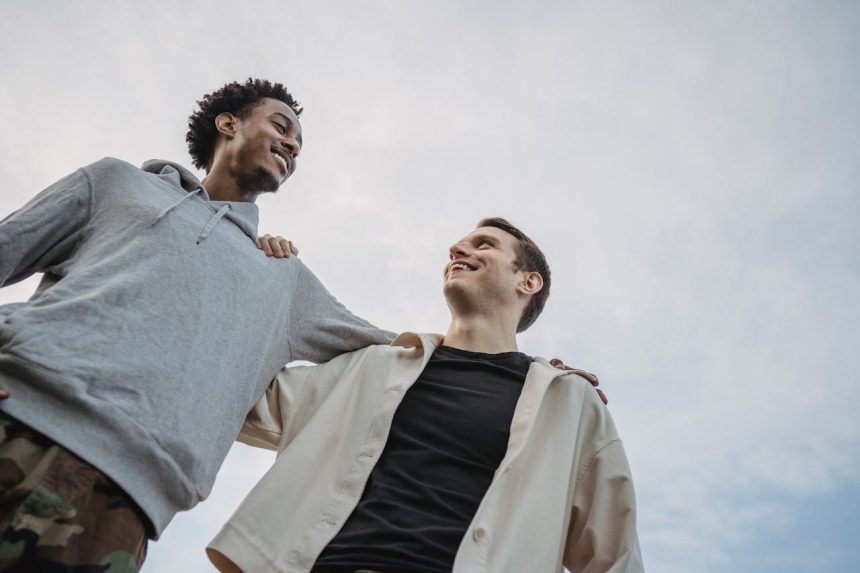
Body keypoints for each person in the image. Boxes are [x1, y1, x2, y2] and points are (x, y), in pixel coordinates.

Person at [0, 79, 393, 572]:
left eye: (299, 145)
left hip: (120, 496)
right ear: (228, 124)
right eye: (281, 126)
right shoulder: (114, 182)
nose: (292, 145)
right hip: (14, 411)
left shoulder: (283, 276)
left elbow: (394, 351)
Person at [208, 217, 644, 573]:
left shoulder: (567, 405)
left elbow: (614, 555)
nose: (457, 251)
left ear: (527, 282)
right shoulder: (370, 367)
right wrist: (256, 275)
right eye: (457, 246)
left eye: (484, 245)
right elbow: (228, 385)